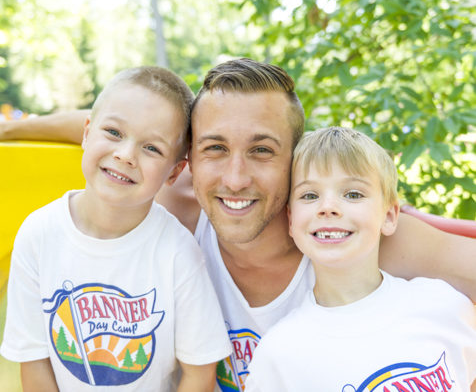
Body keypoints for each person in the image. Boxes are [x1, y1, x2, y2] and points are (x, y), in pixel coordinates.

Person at [1, 59, 476, 392]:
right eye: (215, 149)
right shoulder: (174, 205)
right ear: (185, 162)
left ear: (297, 159)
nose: (235, 178)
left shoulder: (355, 242)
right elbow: (115, 126)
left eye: (263, 150)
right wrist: (14, 129)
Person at [0, 66, 232, 392]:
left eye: (152, 148)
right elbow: (35, 362)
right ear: (86, 133)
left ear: (174, 172)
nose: (125, 155)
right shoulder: (38, 235)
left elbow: (199, 373)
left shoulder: (178, 252)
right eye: (113, 132)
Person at [244, 126, 476, 391]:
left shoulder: (446, 306)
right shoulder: (279, 354)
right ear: (290, 220)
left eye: (353, 194)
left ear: (388, 216)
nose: (328, 207)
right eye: (310, 195)